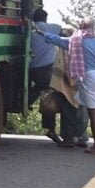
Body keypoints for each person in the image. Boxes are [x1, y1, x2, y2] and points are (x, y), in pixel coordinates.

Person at [46, 17, 95, 154]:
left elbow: (56, 40)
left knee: (92, 112)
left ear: (82, 26)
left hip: (89, 77)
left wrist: (42, 33)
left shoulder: (77, 42)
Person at [29, 8, 65, 144]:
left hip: (30, 68)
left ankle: (28, 101)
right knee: (51, 96)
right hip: (45, 69)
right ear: (45, 18)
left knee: (40, 87)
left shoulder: (29, 28)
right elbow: (65, 32)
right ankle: (51, 129)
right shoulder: (50, 28)